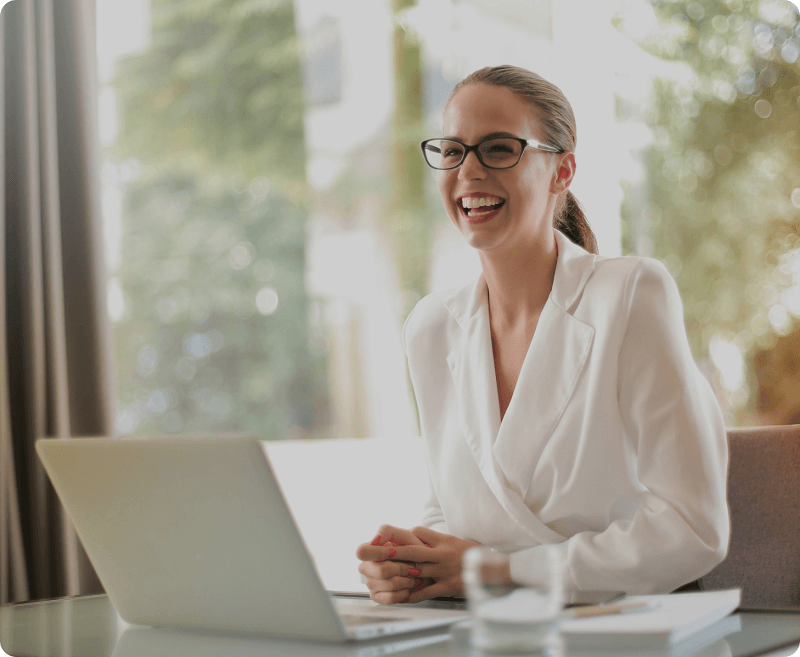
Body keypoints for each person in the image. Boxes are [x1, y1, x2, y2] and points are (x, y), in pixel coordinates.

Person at [355, 65, 729, 605]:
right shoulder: (431, 329)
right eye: (453, 150)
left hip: (618, 625)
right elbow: (452, 505)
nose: (469, 171)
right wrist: (412, 564)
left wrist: (501, 571)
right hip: (491, 631)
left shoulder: (629, 296)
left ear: (563, 170)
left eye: (499, 149)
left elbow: (692, 529)